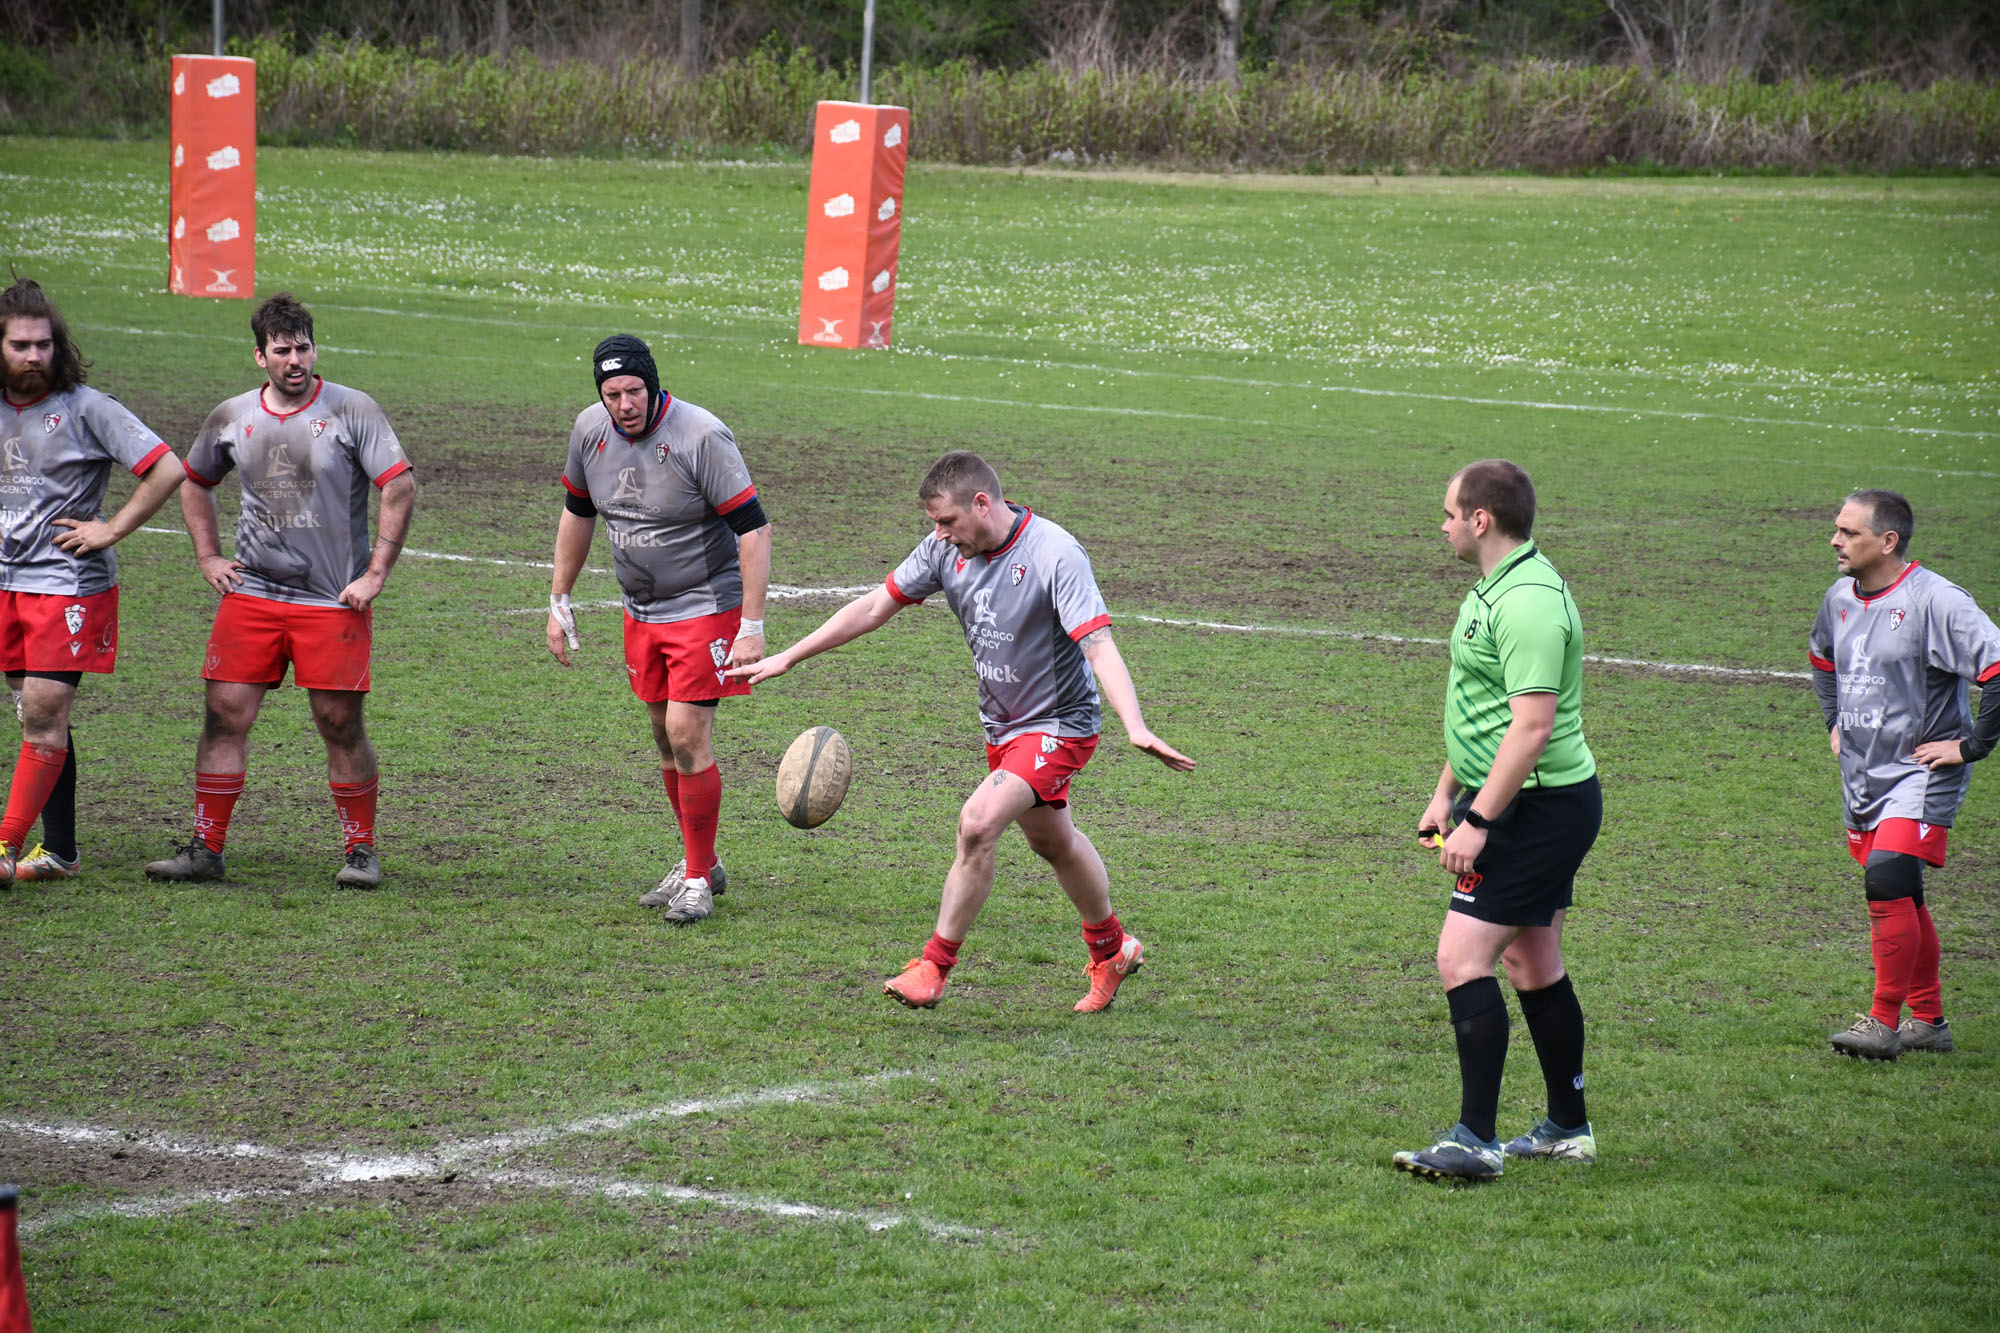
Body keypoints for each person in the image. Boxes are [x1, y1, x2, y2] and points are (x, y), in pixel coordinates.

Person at [733, 450, 1194, 1013]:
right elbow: (876, 606)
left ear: (981, 503)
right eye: (934, 524)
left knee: (977, 824)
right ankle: (1113, 950)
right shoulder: (944, 551)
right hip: (1002, 725)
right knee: (1052, 842)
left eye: (947, 521)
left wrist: (1136, 725)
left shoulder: (1053, 553)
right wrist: (790, 656)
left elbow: (1097, 644)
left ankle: (934, 966)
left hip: (1059, 725)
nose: (940, 535)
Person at [145, 293, 415, 889]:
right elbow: (194, 481)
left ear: (315, 349)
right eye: (282, 350)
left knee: (339, 722)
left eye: (303, 348)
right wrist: (209, 556)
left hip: (332, 601)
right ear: (259, 356)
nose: (295, 360)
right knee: (224, 715)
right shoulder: (232, 415)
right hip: (252, 596)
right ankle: (206, 849)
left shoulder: (352, 409)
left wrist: (375, 574)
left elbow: (398, 485)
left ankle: (361, 852)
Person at [1394, 459, 1601, 1183]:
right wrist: (1445, 790)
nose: (1443, 525)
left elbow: (1532, 726)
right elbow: (1482, 707)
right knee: (1531, 962)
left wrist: (1479, 819)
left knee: (1462, 958)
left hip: (1533, 808)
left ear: (1481, 520)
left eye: (1450, 513)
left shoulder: (1529, 603)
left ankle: (1475, 1140)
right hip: (1515, 799)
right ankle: (1567, 1128)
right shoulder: (1497, 587)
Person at [546, 334, 770, 926]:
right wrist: (559, 598)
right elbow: (577, 513)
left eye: (634, 391)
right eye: (612, 394)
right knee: (664, 738)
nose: (624, 404)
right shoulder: (589, 432)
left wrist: (751, 625)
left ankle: (696, 881)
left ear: (653, 384)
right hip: (641, 611)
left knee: (686, 734)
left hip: (705, 606)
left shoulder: (701, 436)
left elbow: (754, 529)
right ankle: (703, 862)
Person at [0, 277, 186, 886]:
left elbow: (167, 468)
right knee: (38, 717)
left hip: (67, 581)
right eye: (20, 345)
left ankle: (5, 846)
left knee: (43, 711)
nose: (34, 356)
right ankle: (60, 851)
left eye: (44, 344)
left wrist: (112, 529)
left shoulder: (86, 407)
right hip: (7, 584)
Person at [1810, 489, 2000, 1061]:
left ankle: (1883, 1022)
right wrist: (1834, 722)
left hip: (1921, 772)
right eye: (1838, 529)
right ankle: (1930, 1022)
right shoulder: (1839, 598)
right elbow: (1822, 660)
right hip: (1864, 772)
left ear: (1888, 541)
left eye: (1850, 533)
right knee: (1904, 896)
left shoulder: (1936, 600)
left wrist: (1972, 746)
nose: (1835, 541)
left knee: (1888, 881)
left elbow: (1996, 668)